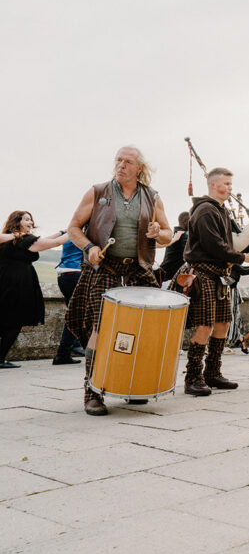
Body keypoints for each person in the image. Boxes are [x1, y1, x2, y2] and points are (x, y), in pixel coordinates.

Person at [66, 146, 173, 415]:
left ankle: (134, 387)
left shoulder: (152, 197)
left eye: (128, 161)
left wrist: (157, 233)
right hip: (105, 267)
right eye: (118, 160)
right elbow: (74, 227)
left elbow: (168, 235)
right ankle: (93, 393)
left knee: (144, 328)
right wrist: (89, 247)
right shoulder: (98, 191)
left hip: (138, 268)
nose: (121, 165)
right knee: (99, 329)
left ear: (140, 168)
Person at [171, 167, 249, 397]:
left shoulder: (222, 210)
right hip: (202, 273)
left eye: (231, 184)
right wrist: (243, 258)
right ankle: (192, 377)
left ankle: (213, 372)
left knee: (222, 323)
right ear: (213, 185)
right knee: (205, 325)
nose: (231, 188)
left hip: (219, 276)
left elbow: (231, 240)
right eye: (227, 184)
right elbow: (214, 246)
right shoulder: (204, 211)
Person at [0, 213, 69, 368]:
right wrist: (75, 231)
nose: (30, 222)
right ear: (17, 222)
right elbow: (54, 243)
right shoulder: (23, 240)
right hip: (17, 284)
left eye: (31, 219)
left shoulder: (12, 239)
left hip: (5, 281)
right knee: (14, 321)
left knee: (5, 318)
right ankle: (0, 359)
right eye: (26, 219)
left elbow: (47, 240)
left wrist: (61, 231)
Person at [52, 241, 86, 365]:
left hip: (63, 276)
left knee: (73, 313)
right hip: (76, 274)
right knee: (76, 315)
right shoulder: (86, 233)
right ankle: (63, 353)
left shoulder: (70, 231)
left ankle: (73, 345)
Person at [155, 211, 189, 287]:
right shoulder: (183, 235)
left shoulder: (175, 233)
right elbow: (190, 253)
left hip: (164, 275)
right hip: (170, 278)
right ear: (185, 221)